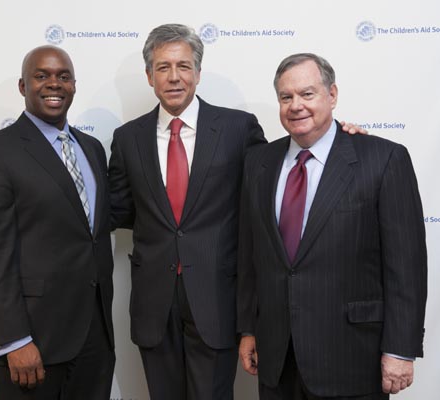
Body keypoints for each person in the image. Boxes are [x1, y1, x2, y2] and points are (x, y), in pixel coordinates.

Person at [109, 25, 364, 400]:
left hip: (217, 301)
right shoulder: (128, 137)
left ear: (198, 72)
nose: (174, 76)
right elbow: (121, 209)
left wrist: (342, 138)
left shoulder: (237, 128)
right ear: (149, 76)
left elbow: (277, 181)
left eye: (183, 65)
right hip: (153, 306)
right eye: (163, 67)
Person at [237, 53, 427, 400]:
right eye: (286, 97)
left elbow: (406, 267)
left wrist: (400, 350)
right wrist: (249, 329)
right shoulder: (258, 162)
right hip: (278, 359)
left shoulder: (382, 159)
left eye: (307, 94)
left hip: (352, 358)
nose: (296, 105)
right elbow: (252, 255)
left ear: (332, 95)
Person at [0, 45, 115, 400]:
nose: (53, 84)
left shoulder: (91, 149)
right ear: (22, 86)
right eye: (41, 76)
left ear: (74, 85)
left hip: (93, 337)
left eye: (63, 77)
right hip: (31, 342)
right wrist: (15, 340)